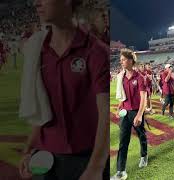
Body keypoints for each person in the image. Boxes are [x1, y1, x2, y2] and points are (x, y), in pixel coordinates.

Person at [19, 0, 109, 179]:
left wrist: (95, 167)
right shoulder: (38, 50)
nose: (36, 3)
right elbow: (41, 106)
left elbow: (106, 112)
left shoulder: (96, 51)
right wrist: (28, 149)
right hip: (45, 158)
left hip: (86, 160)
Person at [112, 48, 148, 180]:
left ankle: (144, 155)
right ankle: (121, 171)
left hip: (136, 111)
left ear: (131, 60)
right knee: (123, 141)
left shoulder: (140, 78)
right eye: (120, 60)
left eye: (123, 59)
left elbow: (143, 98)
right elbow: (122, 96)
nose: (121, 62)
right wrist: (119, 107)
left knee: (141, 135)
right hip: (125, 113)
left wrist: (139, 115)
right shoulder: (121, 77)